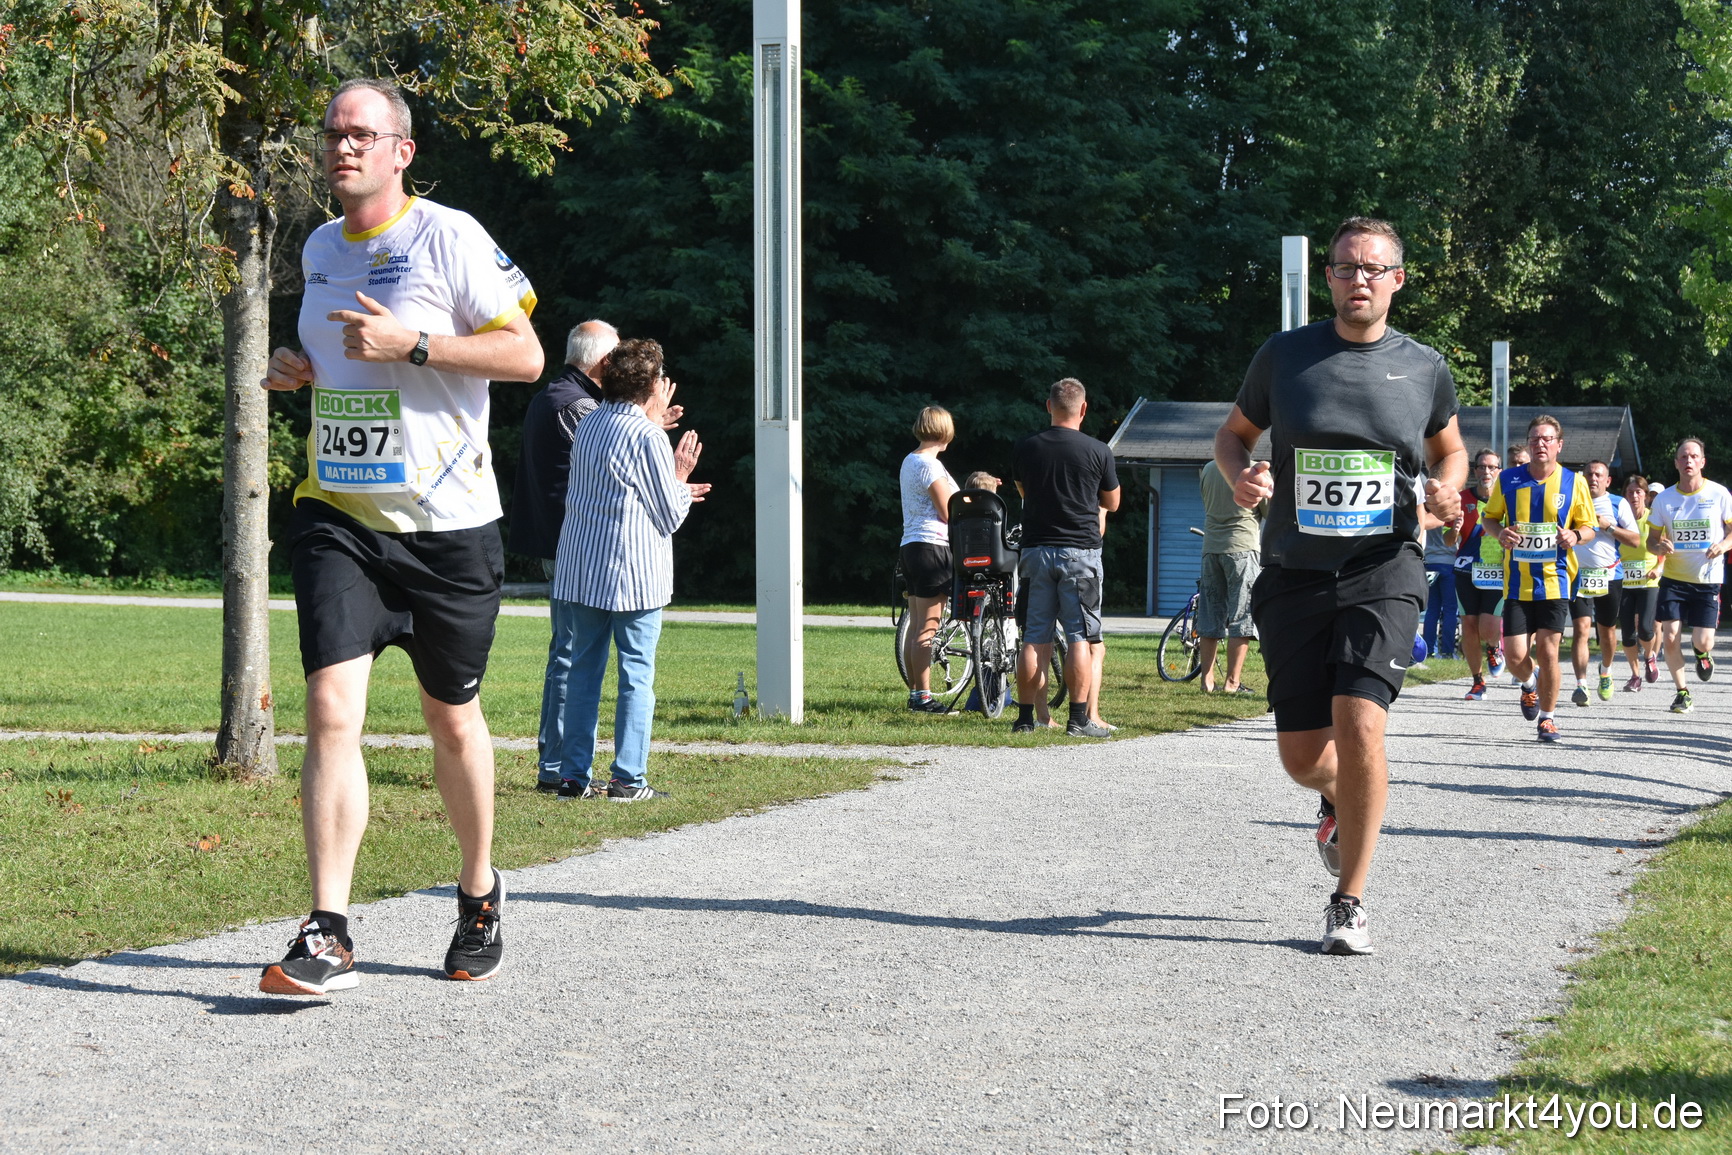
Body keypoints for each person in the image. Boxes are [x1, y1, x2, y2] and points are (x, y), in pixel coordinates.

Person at [258, 78, 545, 994]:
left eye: (361, 134)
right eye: (332, 133)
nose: (342, 147)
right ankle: (328, 929)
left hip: (448, 528)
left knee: (450, 718)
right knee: (330, 709)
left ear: (401, 152)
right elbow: (342, 361)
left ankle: (479, 890)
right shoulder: (317, 247)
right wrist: (297, 369)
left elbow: (526, 355)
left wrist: (415, 344)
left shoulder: (448, 236)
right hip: (339, 516)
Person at [1215, 216, 1465, 956]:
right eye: (1347, 267)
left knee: (1360, 725)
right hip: (1294, 571)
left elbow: (1450, 450)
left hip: (1384, 568)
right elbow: (1232, 435)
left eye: (1373, 268)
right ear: (1327, 277)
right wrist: (1243, 476)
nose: (1360, 279)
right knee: (1303, 757)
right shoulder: (1284, 356)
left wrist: (1447, 490)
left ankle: (1348, 901)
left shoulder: (1424, 367)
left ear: (1397, 280)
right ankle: (1338, 798)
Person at [549, 339, 708, 799]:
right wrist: (680, 477)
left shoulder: (589, 424)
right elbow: (669, 515)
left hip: (583, 567)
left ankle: (573, 776)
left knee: (582, 673)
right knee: (636, 676)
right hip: (633, 573)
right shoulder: (647, 436)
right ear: (651, 384)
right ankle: (627, 778)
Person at [509, 321, 627, 792]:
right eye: (618, 357)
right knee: (572, 654)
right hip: (572, 545)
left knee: (568, 651)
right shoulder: (576, 405)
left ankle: (557, 765)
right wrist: (648, 424)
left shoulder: (555, 396)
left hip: (561, 543)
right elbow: (612, 462)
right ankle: (557, 768)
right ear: (604, 361)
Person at [1010, 378, 1121, 738]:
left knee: (1033, 638)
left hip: (1036, 552)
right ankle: (1078, 720)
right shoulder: (1098, 450)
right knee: (1079, 637)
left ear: (1049, 406)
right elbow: (1113, 502)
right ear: (1083, 409)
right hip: (1081, 554)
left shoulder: (1025, 447)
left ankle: (1025, 719)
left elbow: (1023, 491)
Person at [1479, 415, 1597, 742]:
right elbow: (1489, 518)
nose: (1540, 444)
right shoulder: (1508, 479)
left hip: (1556, 581)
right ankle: (1530, 684)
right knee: (1515, 657)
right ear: (1529, 444)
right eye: (1534, 439)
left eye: (1547, 439)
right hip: (1517, 583)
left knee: (1548, 652)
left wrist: (1575, 535)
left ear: (1559, 445)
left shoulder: (1574, 482)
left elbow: (1589, 527)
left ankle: (1548, 718)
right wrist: (1499, 532)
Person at [1647, 438, 1732, 714]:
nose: (1689, 461)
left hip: (1707, 579)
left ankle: (1702, 653)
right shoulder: (1664, 499)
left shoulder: (1719, 494)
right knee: (1670, 635)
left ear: (1702, 462)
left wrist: (1722, 545)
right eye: (1683, 457)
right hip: (1674, 579)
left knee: (1702, 640)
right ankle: (1682, 692)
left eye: (1694, 456)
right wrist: (1659, 546)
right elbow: (1650, 541)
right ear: (1676, 463)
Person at [899, 407, 960, 712]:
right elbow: (948, 512)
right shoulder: (931, 465)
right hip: (932, 548)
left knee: (916, 628)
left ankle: (915, 693)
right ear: (944, 432)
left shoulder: (910, 460)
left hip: (911, 547)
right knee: (927, 629)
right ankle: (922, 697)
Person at [1566, 460, 1638, 705]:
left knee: (1606, 632)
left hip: (1609, 575)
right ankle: (1581, 685)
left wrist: (1609, 526)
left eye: (1598, 475)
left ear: (1608, 481)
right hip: (1577, 575)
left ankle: (1605, 671)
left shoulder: (1618, 503)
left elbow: (1635, 540)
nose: (1593, 478)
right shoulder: (1572, 501)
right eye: (1589, 474)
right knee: (1581, 629)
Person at [1197, 459, 1264, 694]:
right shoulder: (1255, 472)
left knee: (1209, 613)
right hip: (1242, 546)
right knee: (1242, 615)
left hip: (1211, 547)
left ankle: (1207, 681)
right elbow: (1268, 509)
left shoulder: (1208, 469)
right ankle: (1232, 683)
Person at [1446, 449, 1505, 700]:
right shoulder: (1461, 499)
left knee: (1488, 627)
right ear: (1475, 470)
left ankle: (1494, 647)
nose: (1486, 472)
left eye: (1492, 467)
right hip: (1465, 570)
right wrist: (1455, 530)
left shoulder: (1507, 499)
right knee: (1468, 626)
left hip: (1497, 571)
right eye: (1482, 467)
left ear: (1499, 471)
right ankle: (1478, 682)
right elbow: (1448, 540)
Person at [1618, 474, 1663, 691]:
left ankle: (1650, 655)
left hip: (1648, 582)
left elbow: (1665, 547)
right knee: (1627, 634)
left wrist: (1658, 568)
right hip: (1624, 582)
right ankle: (1635, 676)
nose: (1634, 496)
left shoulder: (1653, 518)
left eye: (1638, 492)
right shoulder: (1619, 520)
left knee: (1645, 629)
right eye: (1630, 492)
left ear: (1645, 495)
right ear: (1625, 495)